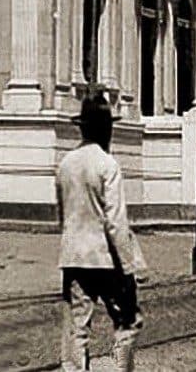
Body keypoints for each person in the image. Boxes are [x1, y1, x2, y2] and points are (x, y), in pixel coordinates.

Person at [57, 91, 149, 372]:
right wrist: (132, 265)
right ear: (106, 129)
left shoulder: (65, 164)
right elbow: (115, 222)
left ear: (82, 128)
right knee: (128, 320)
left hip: (74, 257)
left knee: (77, 326)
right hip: (107, 260)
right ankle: (121, 368)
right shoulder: (108, 165)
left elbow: (62, 216)